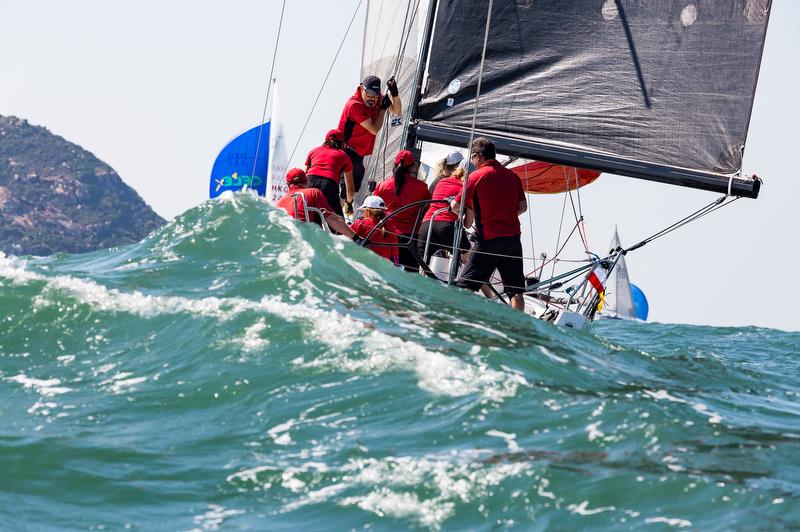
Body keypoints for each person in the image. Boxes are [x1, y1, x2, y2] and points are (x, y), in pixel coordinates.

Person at [450, 138, 528, 311]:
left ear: (478, 156)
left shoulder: (476, 176)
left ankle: (459, 319)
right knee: (516, 291)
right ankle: (517, 326)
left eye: (472, 157)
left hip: (487, 240)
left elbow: (455, 205)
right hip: (513, 241)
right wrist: (505, 216)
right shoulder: (513, 176)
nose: (471, 161)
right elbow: (523, 207)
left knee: (465, 286)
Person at [338, 75, 402, 196]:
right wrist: (382, 110)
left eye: (375, 96)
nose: (372, 99)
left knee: (351, 191)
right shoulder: (354, 105)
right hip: (345, 150)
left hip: (358, 154)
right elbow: (373, 129)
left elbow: (397, 111)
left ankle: (346, 208)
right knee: (346, 190)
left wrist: (394, 92)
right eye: (369, 95)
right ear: (362, 89)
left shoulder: (378, 99)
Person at [374, 150, 431, 271]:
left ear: (395, 164)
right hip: (410, 238)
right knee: (410, 276)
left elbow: (374, 210)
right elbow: (427, 209)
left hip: (386, 236)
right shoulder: (422, 188)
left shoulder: (382, 186)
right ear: (412, 167)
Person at [417, 154, 472, 266]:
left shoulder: (441, 181)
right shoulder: (467, 187)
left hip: (427, 225)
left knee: (420, 267)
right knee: (469, 259)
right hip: (448, 227)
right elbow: (468, 224)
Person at [275, 168, 358, 239]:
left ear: (287, 184)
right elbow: (333, 220)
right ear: (306, 181)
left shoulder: (278, 204)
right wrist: (356, 238)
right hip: (309, 243)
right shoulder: (313, 192)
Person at [304, 129, 355, 217]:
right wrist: (349, 204)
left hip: (309, 183)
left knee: (310, 217)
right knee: (339, 225)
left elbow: (303, 175)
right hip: (328, 185)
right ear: (342, 143)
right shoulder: (344, 156)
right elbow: (350, 191)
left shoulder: (313, 151)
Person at [349, 195, 398, 264]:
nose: (362, 213)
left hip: (364, 266)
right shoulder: (391, 228)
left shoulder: (360, 223)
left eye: (363, 211)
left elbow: (344, 238)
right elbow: (395, 255)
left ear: (368, 211)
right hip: (383, 269)